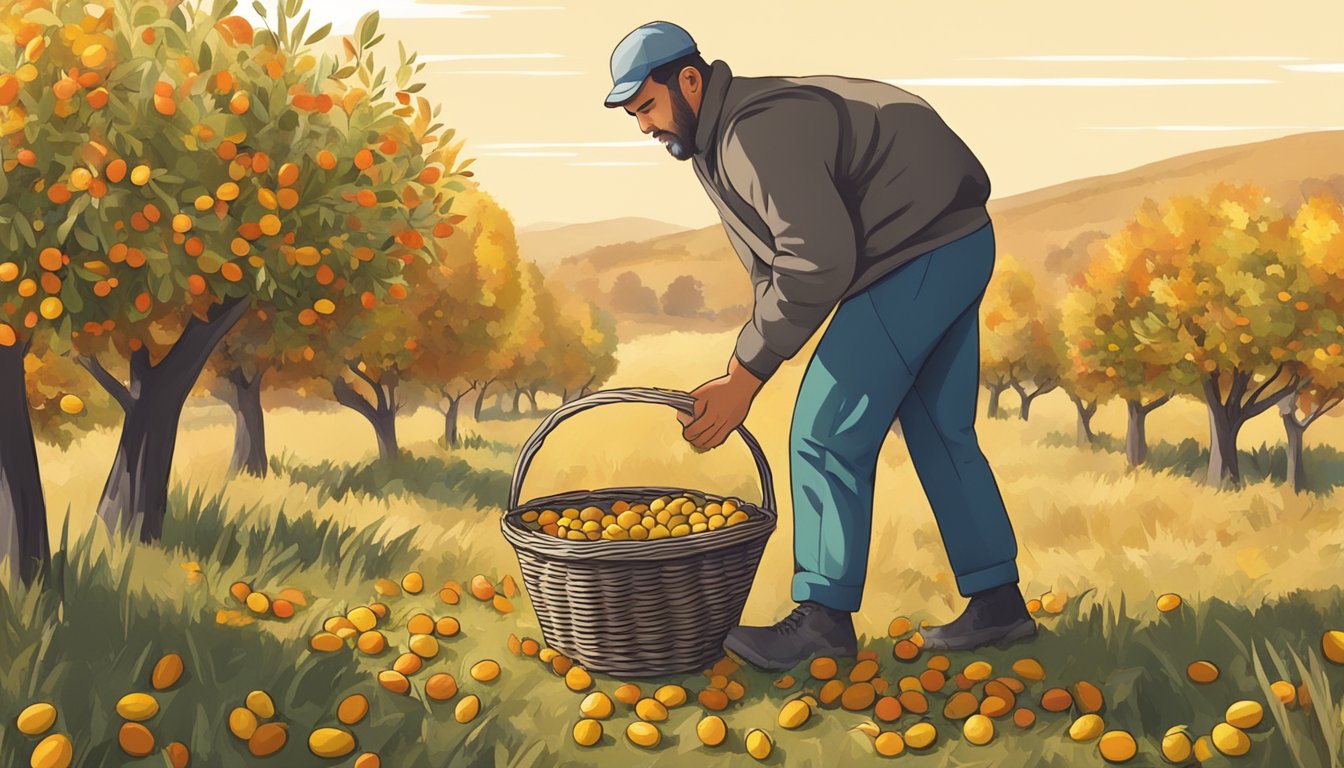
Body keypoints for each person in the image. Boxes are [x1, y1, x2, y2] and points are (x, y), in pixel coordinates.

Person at [603, 21, 1036, 670]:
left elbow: (815, 262)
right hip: (959, 238)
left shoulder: (752, 132)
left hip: (913, 250)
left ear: (688, 80)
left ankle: (824, 621)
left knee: (824, 433)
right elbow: (770, 257)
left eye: (648, 107)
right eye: (636, 114)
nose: (645, 126)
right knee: (942, 430)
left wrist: (745, 377)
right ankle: (999, 603)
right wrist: (750, 360)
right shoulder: (712, 141)